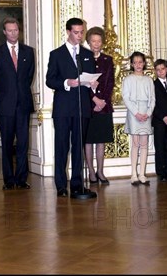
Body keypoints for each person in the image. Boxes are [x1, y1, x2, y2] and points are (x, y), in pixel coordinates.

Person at [46, 17, 101, 199]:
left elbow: (91, 77)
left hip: (81, 108)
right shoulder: (56, 54)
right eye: (76, 32)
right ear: (68, 32)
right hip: (63, 109)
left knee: (78, 147)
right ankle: (61, 185)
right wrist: (66, 82)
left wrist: (93, 84)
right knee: (62, 147)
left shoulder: (86, 54)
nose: (79, 36)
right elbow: (50, 80)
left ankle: (77, 184)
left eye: (81, 32)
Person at [0, 17, 35, 190]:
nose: (13, 33)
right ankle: (9, 180)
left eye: (16, 30)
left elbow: (29, 76)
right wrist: (6, 95)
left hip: (23, 104)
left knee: (23, 143)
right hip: (5, 105)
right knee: (7, 143)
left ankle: (21, 179)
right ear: (4, 32)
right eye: (10, 30)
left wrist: (18, 93)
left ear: (18, 31)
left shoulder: (28, 52)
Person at [84, 26, 115, 185]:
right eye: (93, 41)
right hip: (88, 107)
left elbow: (110, 82)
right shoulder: (82, 59)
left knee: (101, 140)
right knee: (88, 141)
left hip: (104, 106)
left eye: (99, 41)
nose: (96, 44)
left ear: (102, 42)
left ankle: (100, 171)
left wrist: (102, 101)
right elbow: (82, 82)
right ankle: (91, 172)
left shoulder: (107, 59)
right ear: (88, 42)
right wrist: (94, 99)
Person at [122, 51, 155, 186]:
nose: (138, 65)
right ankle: (134, 174)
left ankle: (142, 174)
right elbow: (126, 97)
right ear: (131, 64)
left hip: (146, 113)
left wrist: (148, 112)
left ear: (144, 63)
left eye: (140, 62)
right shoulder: (128, 79)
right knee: (135, 143)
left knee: (144, 144)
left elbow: (152, 98)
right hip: (133, 113)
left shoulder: (149, 80)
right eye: (135, 62)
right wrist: (136, 113)